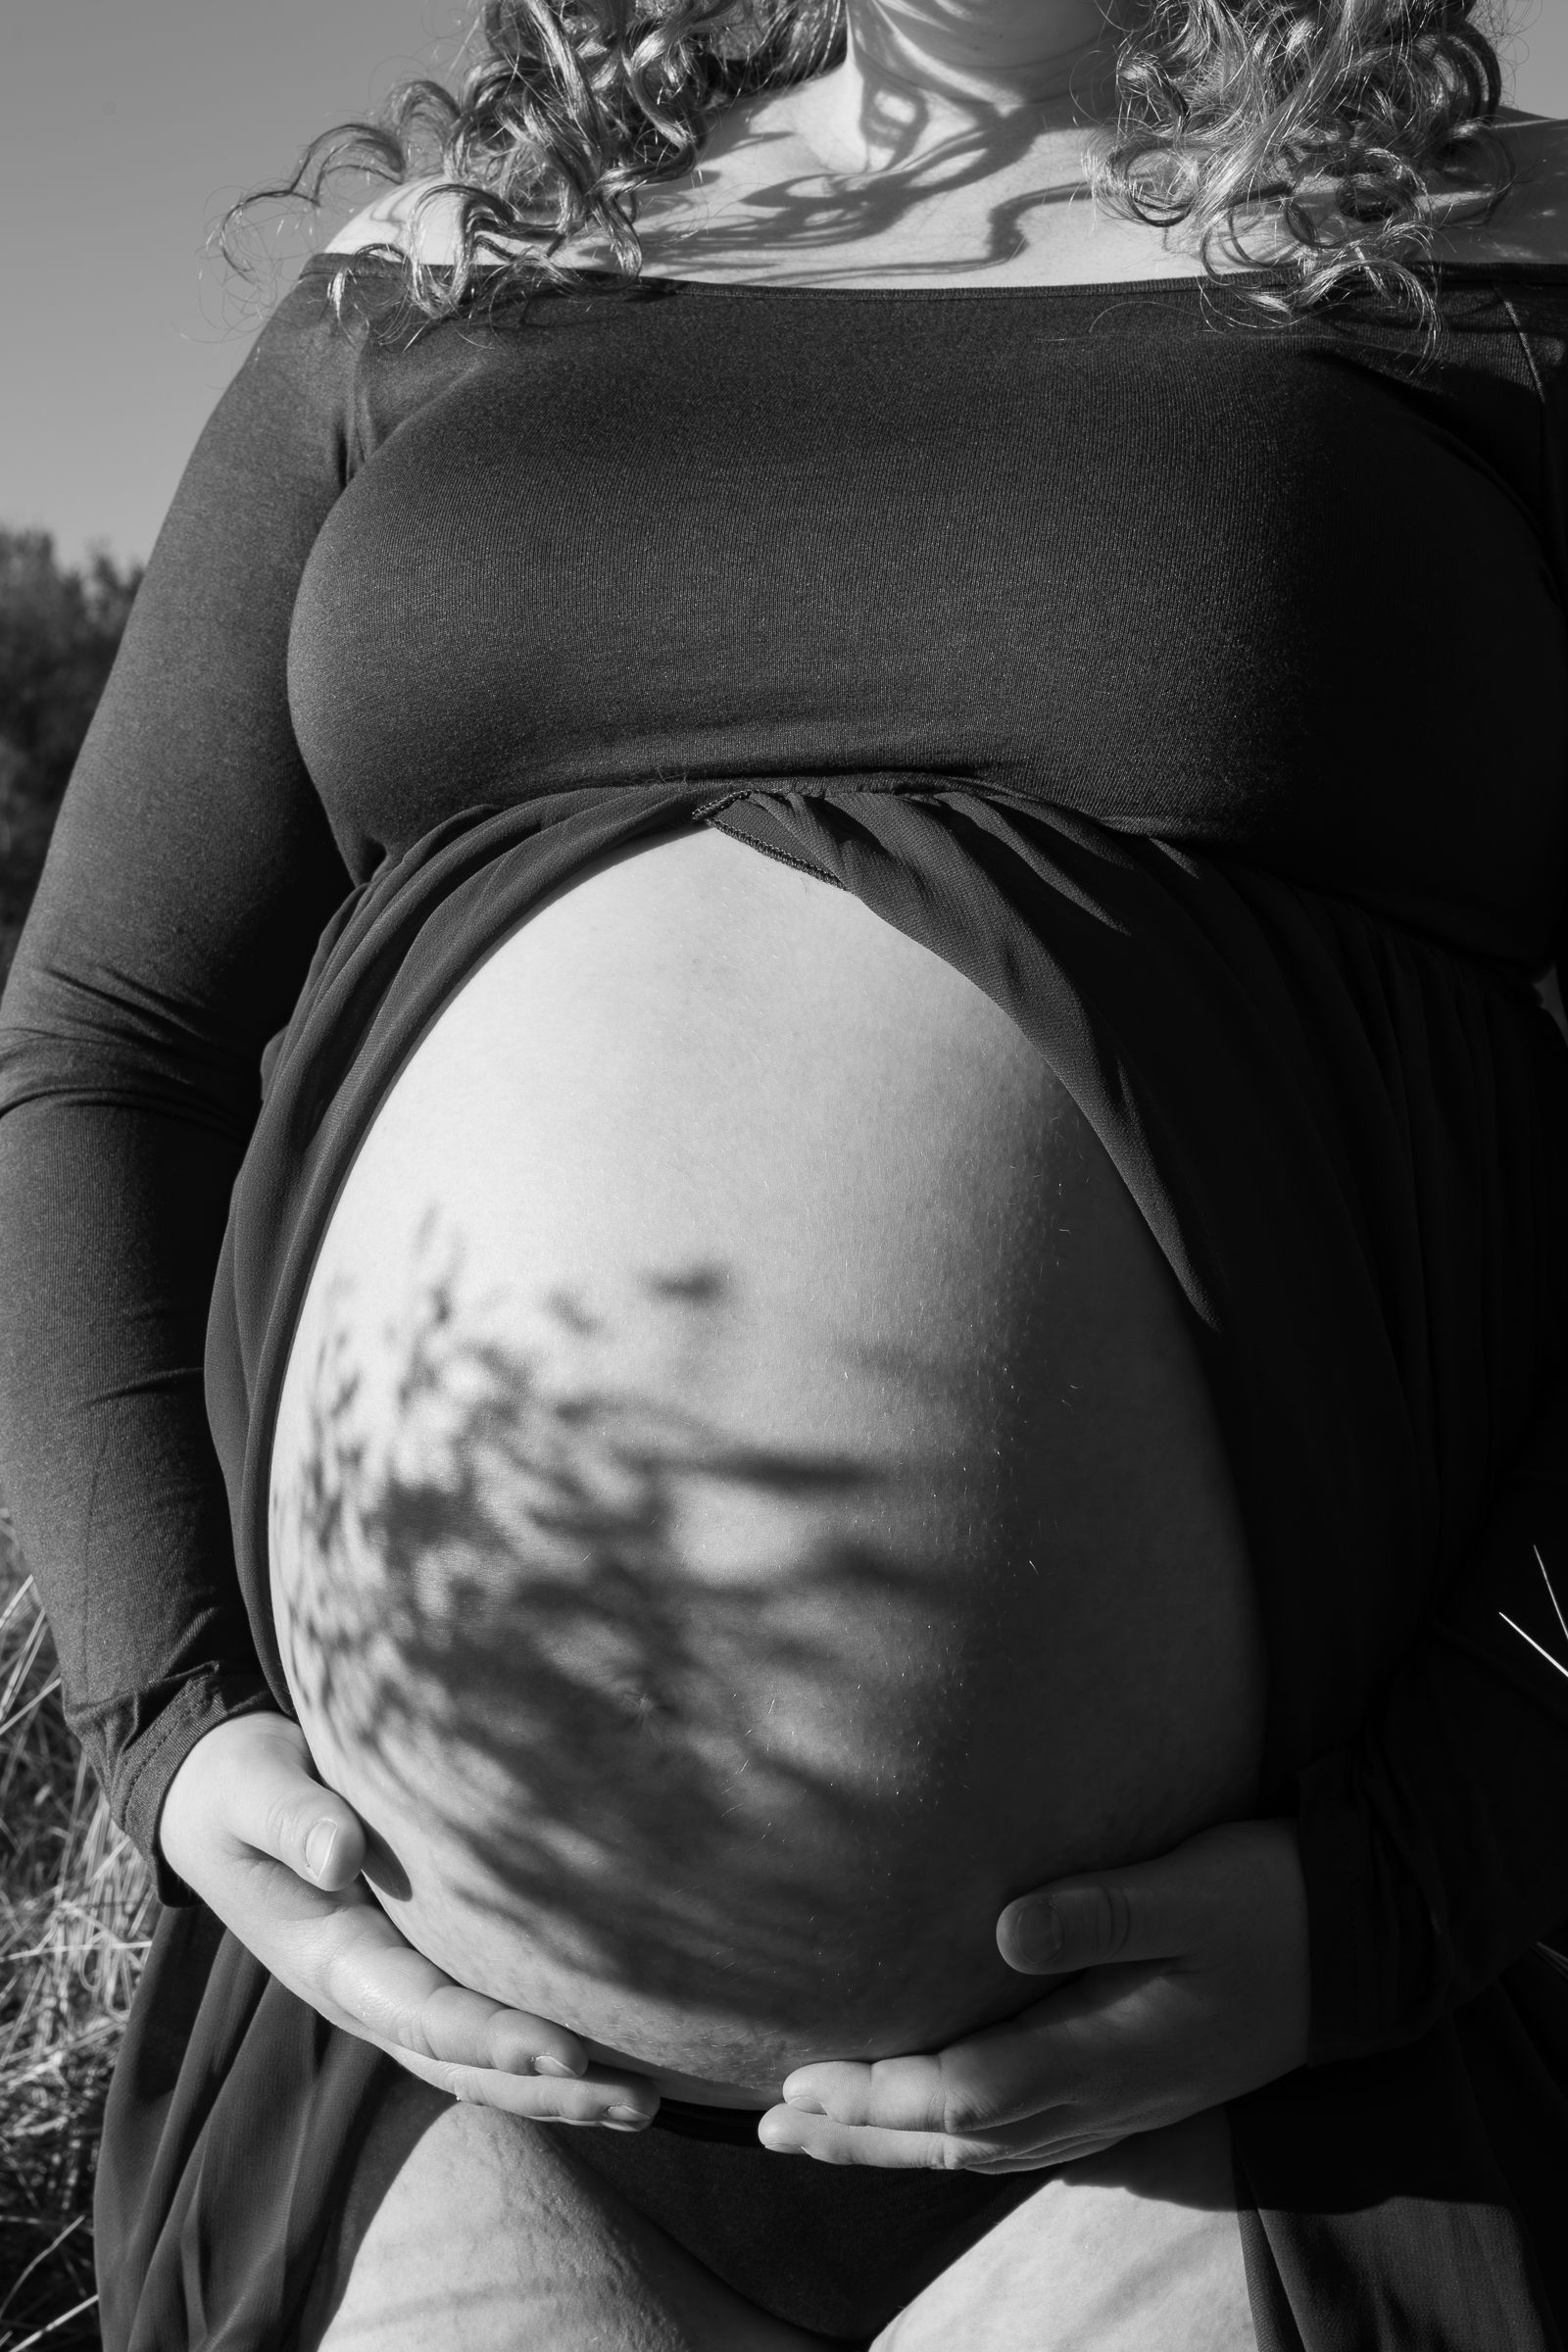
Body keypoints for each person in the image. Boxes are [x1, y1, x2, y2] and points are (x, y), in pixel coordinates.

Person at [2, 0, 1567, 2340]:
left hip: (1278, 2083)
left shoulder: (1491, 263)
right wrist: (164, 1717)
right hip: (451, 2072)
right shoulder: (438, 280)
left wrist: (1436, 1856)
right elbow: (101, 1047)